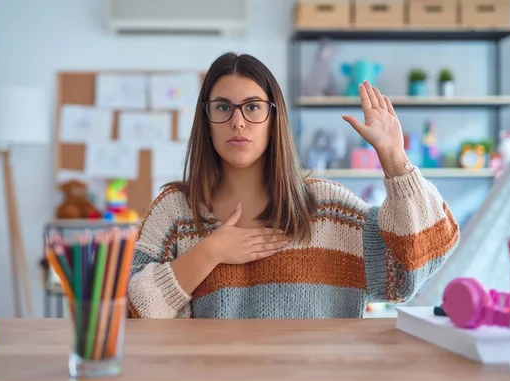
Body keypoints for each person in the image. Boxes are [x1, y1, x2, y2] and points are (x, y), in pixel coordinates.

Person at [127, 52, 460, 319]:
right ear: (207, 121)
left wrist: (394, 158)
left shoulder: (327, 208)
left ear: (275, 121)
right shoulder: (175, 209)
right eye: (223, 107)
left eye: (253, 107)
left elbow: (412, 266)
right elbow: (127, 312)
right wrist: (209, 252)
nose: (237, 121)